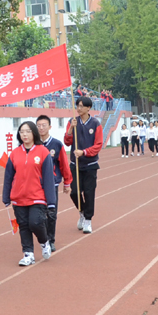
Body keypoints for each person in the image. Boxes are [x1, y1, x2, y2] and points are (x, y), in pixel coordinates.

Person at [3, 121, 55, 266]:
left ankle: (44, 242)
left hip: (37, 196)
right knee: (24, 226)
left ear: (34, 133)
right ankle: (28, 254)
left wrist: (51, 201)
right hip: (18, 197)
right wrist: (6, 196)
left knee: (35, 222)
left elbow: (48, 178)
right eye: (21, 132)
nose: (24, 134)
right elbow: (8, 177)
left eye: (27, 131)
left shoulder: (43, 152)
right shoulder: (14, 153)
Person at [64, 96, 103, 234]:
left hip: (90, 165)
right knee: (74, 192)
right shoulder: (72, 122)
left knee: (89, 192)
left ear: (88, 108)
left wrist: (84, 152)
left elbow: (98, 145)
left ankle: (88, 220)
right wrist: (70, 129)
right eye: (77, 106)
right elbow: (67, 142)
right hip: (75, 165)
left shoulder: (95, 124)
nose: (79, 108)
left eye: (81, 106)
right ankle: (82, 212)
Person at [36, 115, 71, 252]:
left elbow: (64, 164)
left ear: (50, 127)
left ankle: (50, 240)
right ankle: (43, 239)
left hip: (52, 184)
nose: (41, 128)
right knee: (39, 214)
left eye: (44, 125)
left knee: (51, 213)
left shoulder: (56, 144)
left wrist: (67, 182)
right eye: (38, 125)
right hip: (37, 185)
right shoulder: (34, 144)